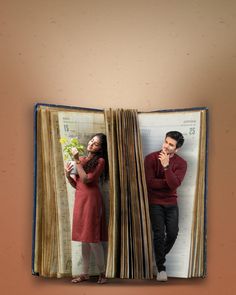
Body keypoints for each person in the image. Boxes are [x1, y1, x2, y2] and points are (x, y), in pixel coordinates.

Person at [64, 133, 109, 284]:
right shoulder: (83, 160)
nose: (91, 144)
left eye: (96, 143)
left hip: (91, 200)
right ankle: (84, 273)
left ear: (101, 148)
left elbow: (87, 179)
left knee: (92, 238)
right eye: (91, 141)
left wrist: (76, 161)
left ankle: (102, 273)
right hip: (80, 199)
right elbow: (76, 184)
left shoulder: (100, 161)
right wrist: (67, 174)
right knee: (84, 238)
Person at [144, 131, 187, 282]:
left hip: (171, 203)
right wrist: (168, 183)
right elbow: (150, 183)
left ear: (177, 149)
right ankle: (161, 268)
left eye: (171, 145)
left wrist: (166, 167)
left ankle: (157, 256)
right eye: (166, 142)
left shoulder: (181, 163)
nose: (167, 146)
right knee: (158, 234)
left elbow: (175, 185)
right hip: (155, 202)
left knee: (173, 233)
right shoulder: (150, 158)